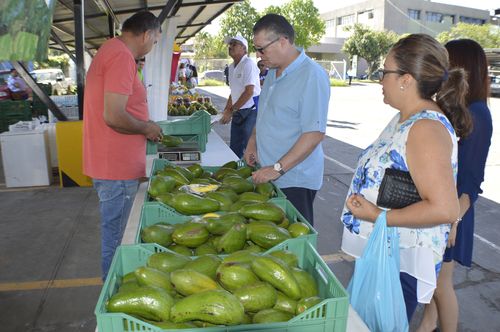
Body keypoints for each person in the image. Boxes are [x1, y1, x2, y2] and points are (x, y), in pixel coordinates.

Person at [340, 33, 473, 324]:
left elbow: (445, 208)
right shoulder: (407, 118)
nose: (379, 80)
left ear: (406, 79)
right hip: (387, 255)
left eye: (384, 72)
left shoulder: (425, 128)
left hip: (400, 261)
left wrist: (378, 215)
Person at [417, 39, 493, 332]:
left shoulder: (478, 113)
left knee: (440, 284)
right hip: (438, 207)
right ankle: (427, 325)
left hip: (453, 211)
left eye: (445, 61)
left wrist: (453, 219)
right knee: (430, 280)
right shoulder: (452, 108)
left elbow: (472, 182)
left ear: (462, 67)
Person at [82, 11, 162, 280]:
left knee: (115, 235)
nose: (153, 47)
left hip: (113, 164)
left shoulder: (112, 50)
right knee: (116, 239)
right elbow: (114, 115)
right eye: (156, 41)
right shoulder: (121, 56)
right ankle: (111, 293)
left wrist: (143, 122)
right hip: (116, 168)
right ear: (147, 34)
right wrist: (147, 127)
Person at [243, 14, 330, 225]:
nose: (258, 54)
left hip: (294, 179)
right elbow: (264, 114)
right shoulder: (273, 72)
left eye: (261, 49)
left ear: (283, 41)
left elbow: (314, 133)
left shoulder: (312, 75)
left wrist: (278, 168)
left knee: (292, 242)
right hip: (268, 172)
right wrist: (253, 143)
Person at [220, 35, 261, 158]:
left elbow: (249, 92)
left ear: (244, 49)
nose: (230, 46)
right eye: (230, 44)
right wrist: (227, 110)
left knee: (249, 148)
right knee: (235, 148)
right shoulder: (232, 67)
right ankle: (235, 173)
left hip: (251, 111)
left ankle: (254, 175)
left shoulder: (248, 64)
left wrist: (231, 111)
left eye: (234, 44)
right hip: (238, 110)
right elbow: (234, 93)